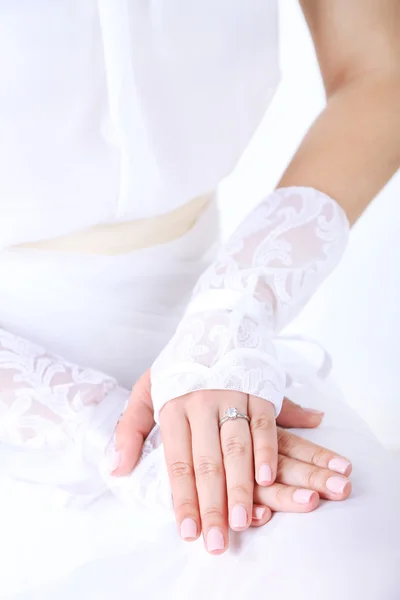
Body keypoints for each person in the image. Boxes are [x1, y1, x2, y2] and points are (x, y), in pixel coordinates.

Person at [0, 1, 399, 598]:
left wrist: (232, 311)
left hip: (214, 358)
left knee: (349, 559)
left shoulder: (222, 334)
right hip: (22, 393)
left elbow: (380, 69)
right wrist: (112, 433)